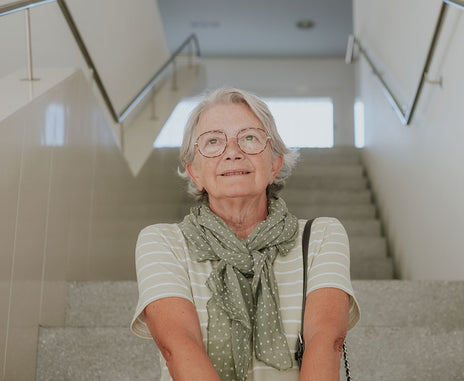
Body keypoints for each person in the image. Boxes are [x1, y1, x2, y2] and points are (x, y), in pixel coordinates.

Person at [131, 88, 360, 381]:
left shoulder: (322, 237)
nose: (233, 152)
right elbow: (177, 344)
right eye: (213, 141)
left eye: (249, 138)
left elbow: (326, 341)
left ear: (275, 164)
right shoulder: (162, 242)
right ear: (194, 172)